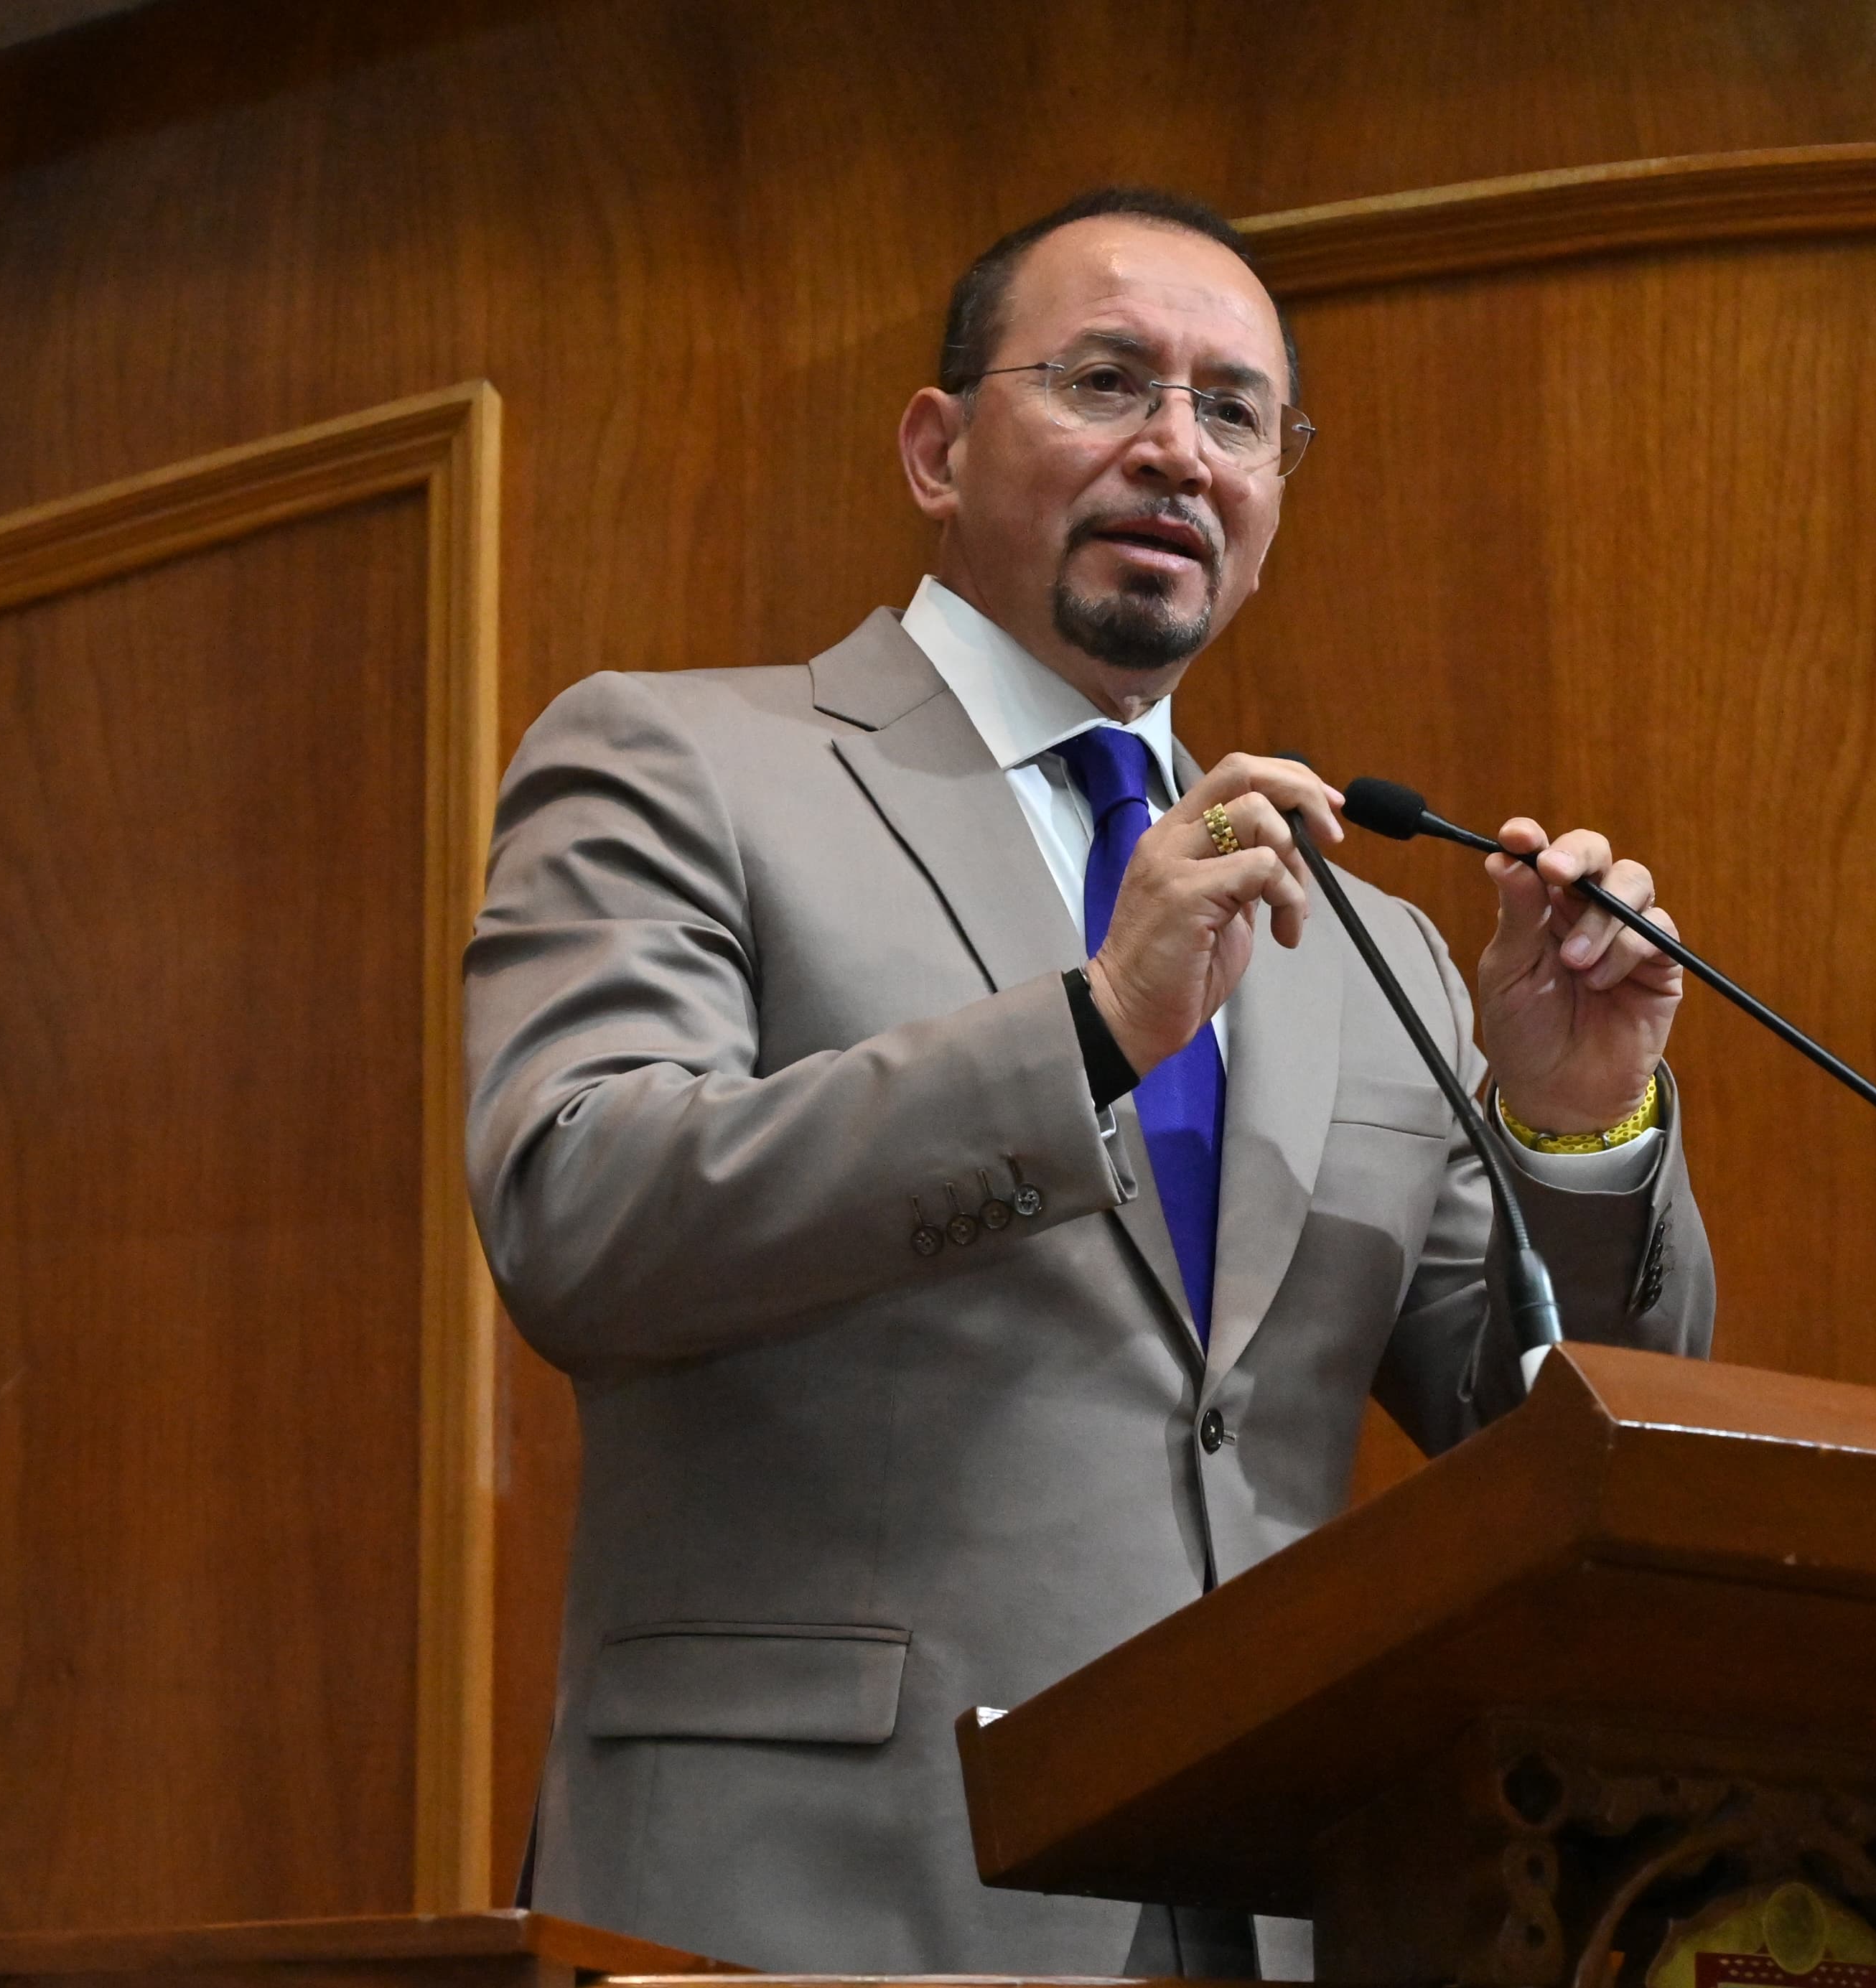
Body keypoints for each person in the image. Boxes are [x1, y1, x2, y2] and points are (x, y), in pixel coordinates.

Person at [462, 186, 1715, 1978]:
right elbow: (581, 1214)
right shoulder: (683, 762)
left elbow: (1542, 1440)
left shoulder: (1367, 942)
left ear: (1271, 498)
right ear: (937, 449)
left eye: (1234, 412)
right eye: (1107, 380)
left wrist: (1569, 1124)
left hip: (1269, 1901)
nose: (1176, 449)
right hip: (825, 1896)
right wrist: (1089, 1028)